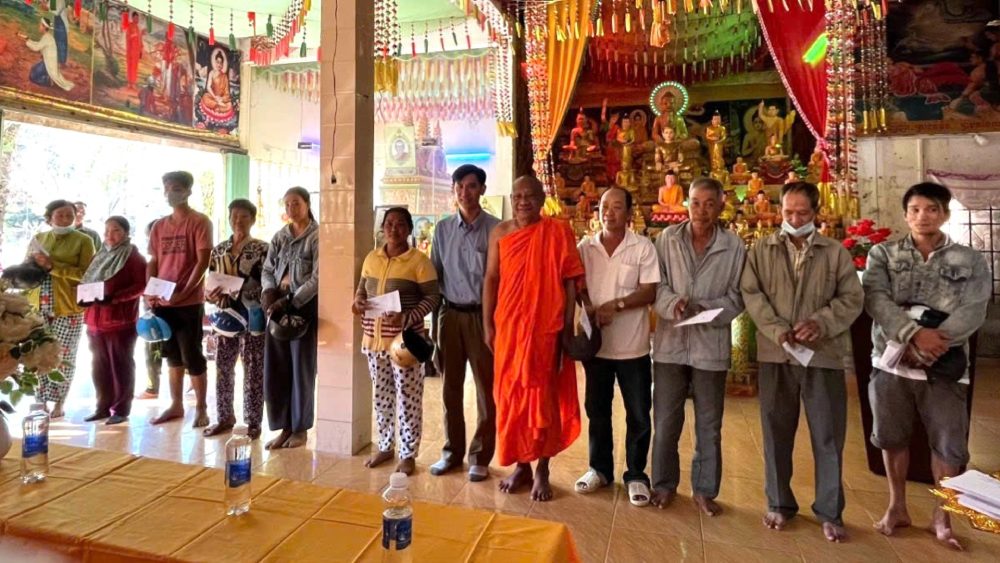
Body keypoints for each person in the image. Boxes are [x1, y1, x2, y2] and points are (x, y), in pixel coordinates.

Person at [864, 182, 990, 550]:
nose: (923, 216)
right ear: (905, 214)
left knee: (949, 445)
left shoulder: (969, 260)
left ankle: (943, 515)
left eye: (932, 209)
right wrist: (912, 335)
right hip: (891, 362)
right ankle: (897, 505)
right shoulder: (883, 254)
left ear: (945, 215)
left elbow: (975, 307)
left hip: (945, 365)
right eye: (916, 209)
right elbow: (876, 299)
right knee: (891, 436)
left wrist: (937, 342)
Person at [741, 181, 863, 542]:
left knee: (827, 435)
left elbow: (851, 298)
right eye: (788, 213)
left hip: (821, 355)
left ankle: (829, 511)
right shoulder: (761, 249)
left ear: (816, 213)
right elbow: (751, 293)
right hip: (776, 352)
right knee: (775, 432)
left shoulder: (834, 253)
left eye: (802, 213)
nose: (794, 220)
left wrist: (821, 322)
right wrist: (777, 329)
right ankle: (779, 503)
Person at [483, 175, 584, 501]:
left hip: (545, 329)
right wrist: (487, 324)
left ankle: (542, 467)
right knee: (510, 397)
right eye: (517, 196)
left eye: (529, 196)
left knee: (541, 399)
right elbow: (491, 279)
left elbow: (570, 280)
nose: (522, 201)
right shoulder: (500, 233)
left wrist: (567, 325)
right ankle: (521, 465)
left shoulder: (557, 232)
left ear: (542, 200)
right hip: (508, 329)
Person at [651, 178, 746, 515]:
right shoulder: (667, 239)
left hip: (709, 347)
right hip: (670, 344)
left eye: (708, 203)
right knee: (665, 420)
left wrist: (706, 310)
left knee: (709, 423)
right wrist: (673, 303)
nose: (701, 210)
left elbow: (738, 297)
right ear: (686, 204)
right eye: (694, 202)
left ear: (721, 205)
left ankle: (705, 490)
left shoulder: (734, 246)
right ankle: (662, 484)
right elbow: (656, 284)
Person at [574, 187, 659, 507]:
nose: (608, 212)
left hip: (633, 349)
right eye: (603, 206)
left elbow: (650, 291)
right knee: (597, 411)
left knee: (638, 413)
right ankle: (600, 469)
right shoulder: (586, 247)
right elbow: (577, 284)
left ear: (629, 212)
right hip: (597, 348)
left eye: (617, 207)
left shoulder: (642, 247)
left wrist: (616, 305)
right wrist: (589, 308)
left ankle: (636, 474)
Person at [354, 207, 439, 475]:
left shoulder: (419, 261)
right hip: (373, 341)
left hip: (404, 344)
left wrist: (407, 317)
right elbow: (362, 288)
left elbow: (433, 297)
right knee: (382, 397)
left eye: (400, 224)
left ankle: (408, 453)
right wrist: (357, 302)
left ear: (409, 229)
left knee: (407, 398)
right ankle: (386, 446)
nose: (394, 229)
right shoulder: (371, 258)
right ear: (382, 227)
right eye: (389, 224)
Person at [428, 165, 500, 482]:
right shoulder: (442, 231)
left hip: (484, 318)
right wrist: (433, 329)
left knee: (487, 390)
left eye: (471, 186)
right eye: (459, 186)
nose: (464, 193)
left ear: (482, 190)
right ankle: (452, 453)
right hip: (449, 316)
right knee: (449, 389)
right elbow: (434, 282)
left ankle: (480, 456)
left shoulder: (498, 230)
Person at [146, 171, 213, 427]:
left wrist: (185, 292)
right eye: (166, 188)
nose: (170, 193)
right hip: (163, 302)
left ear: (187, 191)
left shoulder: (199, 222)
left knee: (192, 355)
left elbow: (202, 261)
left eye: (175, 188)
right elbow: (153, 261)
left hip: (189, 303)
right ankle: (175, 405)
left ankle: (202, 408)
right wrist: (150, 292)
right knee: (171, 356)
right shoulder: (159, 226)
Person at [204, 199, 269, 440]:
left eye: (243, 216)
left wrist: (244, 291)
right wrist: (209, 292)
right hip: (223, 318)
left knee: (253, 370)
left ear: (252, 219)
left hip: (251, 317)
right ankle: (224, 416)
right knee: (222, 367)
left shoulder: (263, 249)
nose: (238, 221)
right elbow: (210, 278)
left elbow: (269, 282)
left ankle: (253, 422)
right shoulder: (219, 249)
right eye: (234, 216)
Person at [261, 187, 319, 450]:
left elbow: (319, 277)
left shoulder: (317, 236)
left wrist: (292, 300)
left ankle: (300, 428)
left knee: (301, 370)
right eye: (287, 204)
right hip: (276, 308)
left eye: (296, 203)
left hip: (301, 308)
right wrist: (268, 293)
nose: (291, 209)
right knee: (277, 369)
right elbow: (268, 269)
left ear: (307, 204)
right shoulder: (279, 237)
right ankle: (283, 426)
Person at [27, 200, 96, 418]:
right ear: (49, 217)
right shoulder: (38, 238)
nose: (66, 219)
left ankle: (59, 402)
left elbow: (87, 274)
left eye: (70, 215)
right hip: (38, 304)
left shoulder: (84, 240)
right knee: (38, 354)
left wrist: (53, 267)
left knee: (64, 355)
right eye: (60, 215)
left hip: (68, 307)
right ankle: (40, 400)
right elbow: (27, 269)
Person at [80, 217, 146, 425]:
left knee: (121, 365)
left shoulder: (133, 256)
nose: (110, 235)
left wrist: (115, 298)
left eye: (116, 230)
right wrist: (83, 298)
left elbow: (140, 286)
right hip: (95, 320)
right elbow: (88, 281)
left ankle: (121, 409)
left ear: (126, 233)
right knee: (98, 365)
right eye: (107, 230)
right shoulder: (99, 256)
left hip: (120, 320)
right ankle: (102, 406)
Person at [138, 219, 163, 400]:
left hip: (173, 304)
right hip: (151, 307)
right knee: (151, 346)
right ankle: (152, 387)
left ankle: (191, 382)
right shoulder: (147, 261)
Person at [21, 17, 74, 91]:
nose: (39, 26)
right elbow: (39, 44)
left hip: (48, 64)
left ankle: (48, 81)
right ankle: (47, 77)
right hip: (46, 62)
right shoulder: (47, 37)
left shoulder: (47, 38)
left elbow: (36, 48)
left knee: (32, 76)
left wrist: (27, 42)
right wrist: (28, 39)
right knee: (33, 69)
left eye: (40, 25)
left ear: (44, 27)